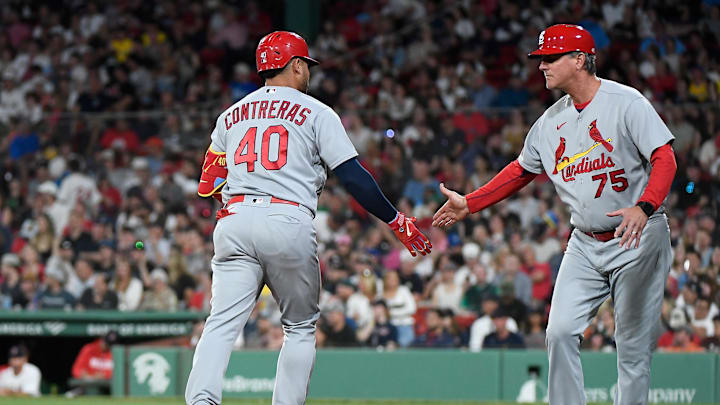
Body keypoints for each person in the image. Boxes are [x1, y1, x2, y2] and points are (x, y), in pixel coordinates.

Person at [433, 24, 676, 405]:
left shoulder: (626, 102)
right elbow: (520, 171)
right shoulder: (550, 122)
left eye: (550, 58)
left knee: (631, 346)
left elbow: (665, 158)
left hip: (637, 237)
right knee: (559, 332)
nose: (541, 66)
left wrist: (645, 206)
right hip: (584, 241)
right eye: (540, 59)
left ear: (580, 60)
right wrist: (472, 202)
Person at [185, 31, 431, 405]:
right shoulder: (316, 111)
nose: (308, 73)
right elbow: (353, 177)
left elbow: (209, 183)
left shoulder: (230, 115)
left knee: (220, 323)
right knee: (299, 327)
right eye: (306, 66)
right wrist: (395, 220)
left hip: (233, 219)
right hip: (287, 217)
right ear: (297, 65)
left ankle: (202, 401)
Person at [69, 331, 117, 396]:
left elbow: (117, 373)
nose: (107, 346)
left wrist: (104, 375)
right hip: (85, 386)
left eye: (110, 345)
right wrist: (84, 375)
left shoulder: (115, 352)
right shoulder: (89, 349)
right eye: (106, 343)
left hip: (106, 388)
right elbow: (76, 370)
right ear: (102, 340)